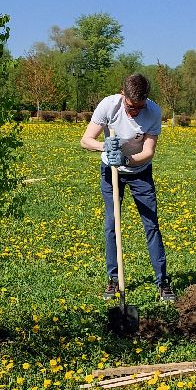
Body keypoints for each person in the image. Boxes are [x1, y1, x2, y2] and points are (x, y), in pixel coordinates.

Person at [80, 73, 175, 301]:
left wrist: (127, 160)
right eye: (131, 107)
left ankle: (162, 282)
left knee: (151, 225)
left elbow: (148, 152)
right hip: (110, 173)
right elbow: (85, 140)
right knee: (112, 225)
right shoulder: (108, 106)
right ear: (123, 95)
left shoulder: (153, 112)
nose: (135, 113)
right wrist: (104, 146)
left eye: (139, 108)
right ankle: (113, 280)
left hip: (140, 173)